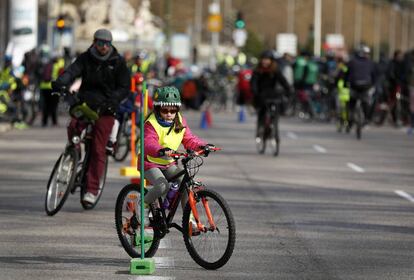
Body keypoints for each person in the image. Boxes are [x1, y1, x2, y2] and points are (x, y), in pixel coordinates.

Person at [52, 28, 130, 205]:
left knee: (97, 148)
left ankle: (92, 189)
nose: (103, 47)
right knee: (73, 126)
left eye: (107, 44)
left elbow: (124, 87)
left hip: (106, 108)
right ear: (94, 42)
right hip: (86, 102)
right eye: (100, 43)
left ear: (111, 45)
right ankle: (74, 154)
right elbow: (71, 72)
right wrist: (60, 83)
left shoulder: (118, 62)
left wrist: (113, 101)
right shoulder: (86, 58)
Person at [139, 86, 213, 222]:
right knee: (162, 186)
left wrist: (203, 146)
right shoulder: (151, 123)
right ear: (157, 109)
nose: (169, 114)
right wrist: (160, 150)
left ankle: (188, 218)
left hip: (169, 163)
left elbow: (189, 139)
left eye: (173, 110)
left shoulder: (179, 120)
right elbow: (148, 143)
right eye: (165, 110)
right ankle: (143, 205)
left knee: (185, 183)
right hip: (150, 163)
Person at [250, 50, 291, 139]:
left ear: (271, 60)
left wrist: (288, 90)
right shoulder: (257, 71)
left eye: (267, 59)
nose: (265, 61)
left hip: (272, 94)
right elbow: (253, 83)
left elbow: (283, 81)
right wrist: (255, 92)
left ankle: (274, 124)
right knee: (262, 111)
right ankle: (260, 128)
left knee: (277, 108)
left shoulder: (275, 70)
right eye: (263, 59)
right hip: (261, 94)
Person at [346, 45, 376, 131]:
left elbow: (346, 74)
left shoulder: (352, 62)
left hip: (354, 86)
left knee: (351, 104)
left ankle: (350, 120)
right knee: (366, 102)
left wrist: (345, 83)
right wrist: (373, 85)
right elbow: (374, 76)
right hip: (366, 86)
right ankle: (366, 119)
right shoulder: (371, 63)